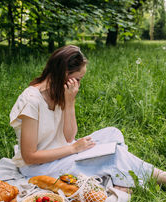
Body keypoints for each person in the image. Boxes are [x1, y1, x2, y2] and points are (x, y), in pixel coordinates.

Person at [10, 45, 166, 190]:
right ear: (65, 75)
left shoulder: (61, 91)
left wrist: (70, 102)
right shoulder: (31, 100)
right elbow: (29, 157)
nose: (78, 85)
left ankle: (120, 174)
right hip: (40, 167)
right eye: (78, 79)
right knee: (113, 155)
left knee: (113, 133)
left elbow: (69, 136)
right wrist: (73, 149)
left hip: (61, 152)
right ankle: (158, 177)